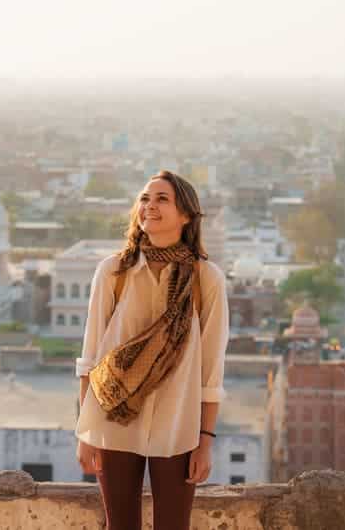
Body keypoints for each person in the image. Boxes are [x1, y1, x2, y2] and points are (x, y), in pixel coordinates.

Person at [74, 170, 229, 530]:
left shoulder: (207, 280)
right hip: (113, 420)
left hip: (178, 424)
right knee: (120, 525)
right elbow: (91, 360)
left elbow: (211, 370)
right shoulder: (114, 272)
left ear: (186, 215)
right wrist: (85, 433)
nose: (149, 206)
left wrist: (205, 442)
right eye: (145, 198)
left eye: (162, 199)